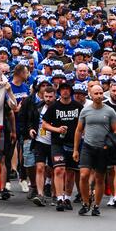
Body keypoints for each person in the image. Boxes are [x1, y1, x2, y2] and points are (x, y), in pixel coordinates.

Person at [74, 84, 116, 216]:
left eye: (101, 93)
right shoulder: (85, 111)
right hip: (87, 147)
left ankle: (96, 205)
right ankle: (85, 202)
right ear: (91, 94)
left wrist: (109, 144)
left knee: (100, 178)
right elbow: (78, 130)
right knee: (83, 176)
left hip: (103, 149)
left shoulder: (110, 111)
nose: (99, 96)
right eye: (96, 93)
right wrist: (76, 150)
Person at [42, 82, 82, 212]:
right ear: (59, 92)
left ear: (71, 91)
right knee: (59, 170)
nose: (65, 92)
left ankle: (67, 198)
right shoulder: (54, 106)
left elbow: (83, 124)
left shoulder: (78, 106)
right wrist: (57, 129)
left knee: (70, 172)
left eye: (67, 89)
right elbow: (44, 124)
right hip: (57, 143)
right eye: (63, 90)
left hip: (74, 143)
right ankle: (59, 198)